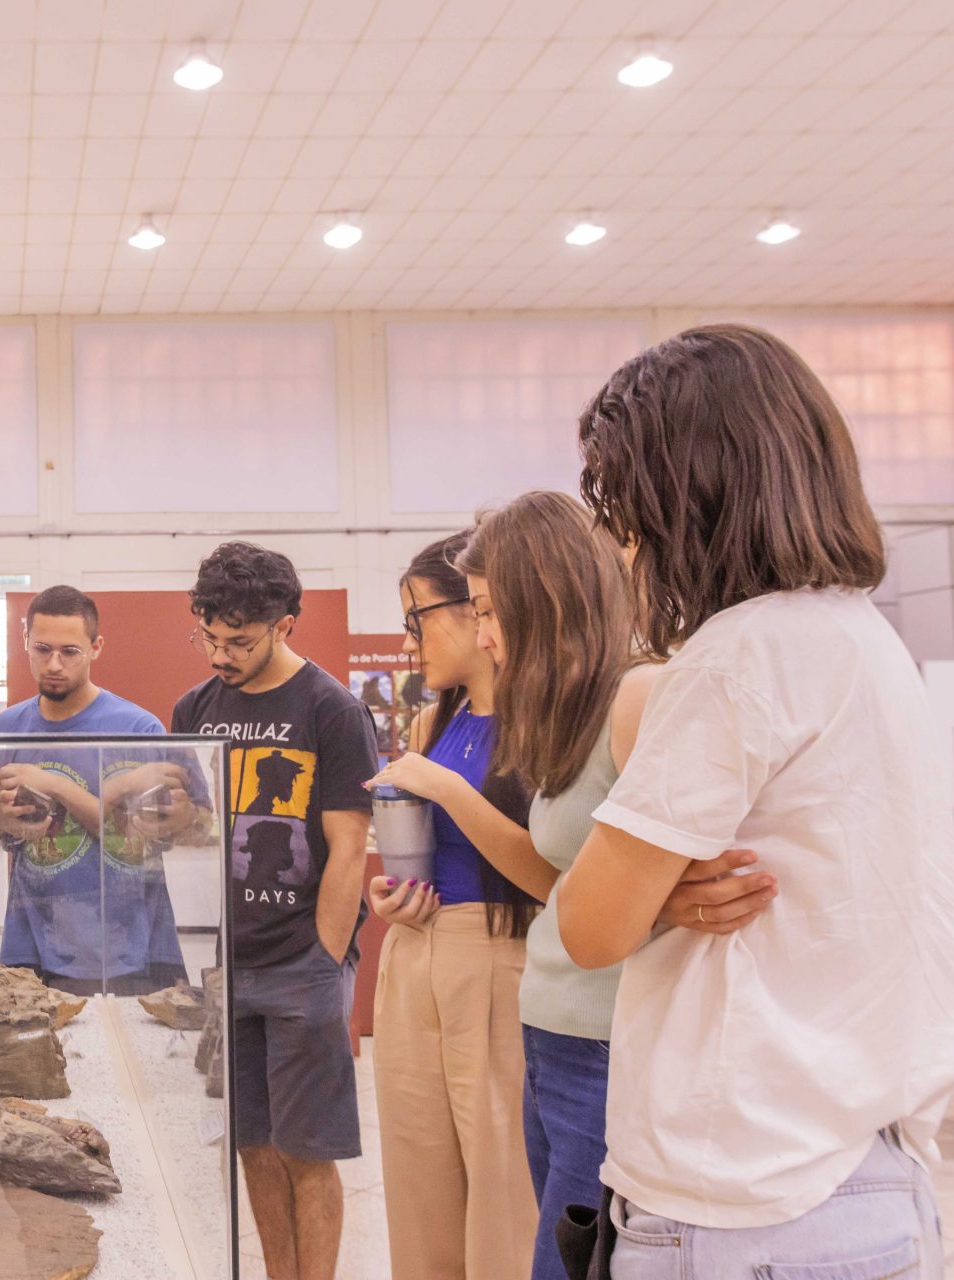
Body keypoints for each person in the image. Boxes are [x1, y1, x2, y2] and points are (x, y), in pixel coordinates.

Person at [558, 325, 953, 1275]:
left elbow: (589, 926)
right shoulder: (865, 643)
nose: (622, 542)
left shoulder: (739, 652)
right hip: (863, 1167)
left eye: (628, 507)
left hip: (745, 1195)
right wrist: (669, 891)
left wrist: (651, 896)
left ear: (686, 495)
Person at [453, 489, 773, 1280]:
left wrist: (663, 904)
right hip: (552, 1033)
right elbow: (572, 879)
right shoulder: (572, 712)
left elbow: (719, 870)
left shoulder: (641, 696)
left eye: (490, 611)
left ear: (547, 595)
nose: (483, 635)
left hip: (605, 1045)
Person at [169, 542, 378, 1280]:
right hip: (229, 966)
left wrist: (324, 960)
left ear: (286, 624)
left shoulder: (332, 710)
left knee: (307, 1152)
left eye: (240, 642)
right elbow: (190, 831)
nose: (221, 655)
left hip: (301, 965)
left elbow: (348, 846)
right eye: (210, 637)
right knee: (253, 1144)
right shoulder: (195, 708)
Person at [358, 533, 543, 1280]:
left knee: (505, 1188)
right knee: (417, 1182)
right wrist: (394, 895)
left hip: (504, 957)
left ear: (477, 610)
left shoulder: (546, 720)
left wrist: (448, 792)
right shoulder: (439, 721)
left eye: (420, 618)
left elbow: (553, 875)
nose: (411, 641)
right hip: (415, 955)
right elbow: (432, 851)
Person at [0, 585, 198, 995]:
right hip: (33, 941)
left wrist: (54, 784)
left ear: (96, 647)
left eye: (69, 651)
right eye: (42, 649)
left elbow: (195, 826)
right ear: (26, 644)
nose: (54, 664)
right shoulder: (7, 729)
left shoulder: (139, 729)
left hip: (133, 942)